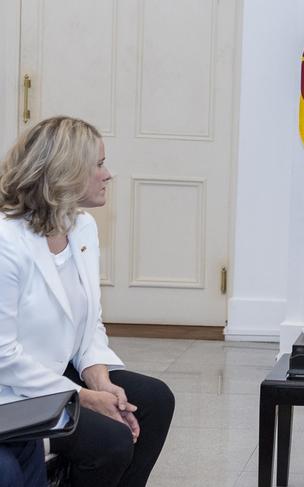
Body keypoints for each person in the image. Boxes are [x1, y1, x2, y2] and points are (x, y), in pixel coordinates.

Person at [0, 116, 175, 487]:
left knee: (155, 400)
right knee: (110, 440)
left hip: (58, 368)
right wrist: (83, 397)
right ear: (65, 174)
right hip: (12, 387)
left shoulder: (81, 226)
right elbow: (4, 355)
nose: (108, 174)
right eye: (98, 164)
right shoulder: (6, 243)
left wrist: (99, 377)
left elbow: (90, 321)